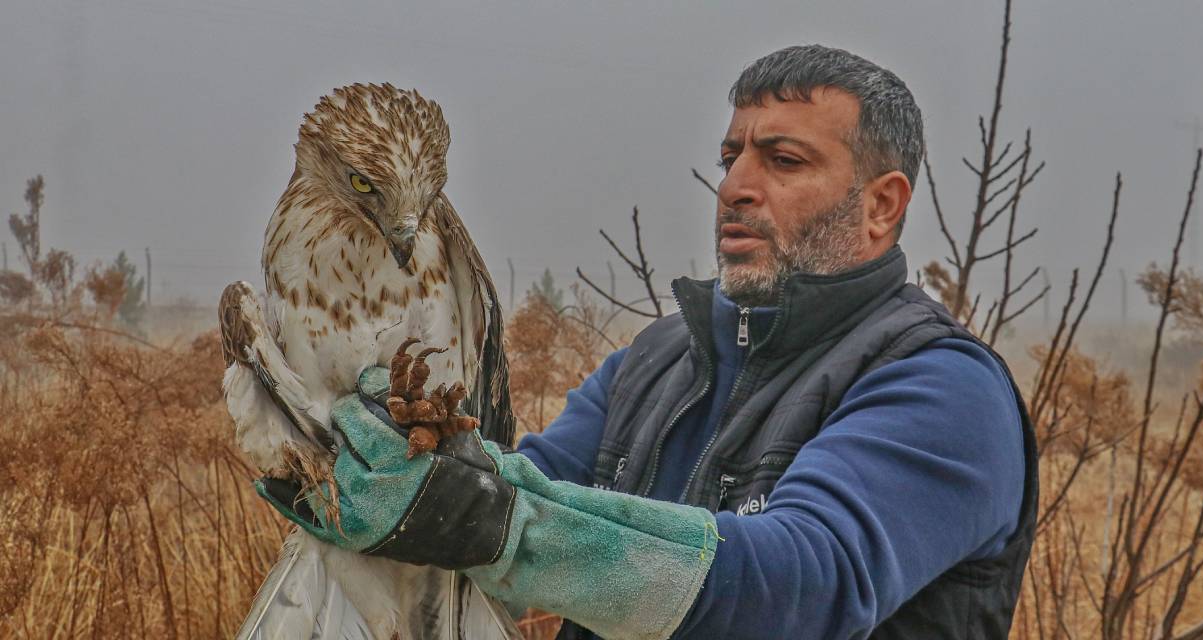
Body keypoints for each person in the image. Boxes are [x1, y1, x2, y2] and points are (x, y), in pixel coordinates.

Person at [262, 44, 1038, 639]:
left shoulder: (944, 388)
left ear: (882, 205)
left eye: (783, 160)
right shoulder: (658, 360)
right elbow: (521, 496)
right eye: (731, 158)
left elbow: (803, 586)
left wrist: (492, 525)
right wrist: (413, 479)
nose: (735, 186)